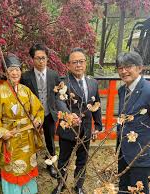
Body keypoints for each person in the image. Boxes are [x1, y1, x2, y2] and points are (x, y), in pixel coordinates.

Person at [0, 55, 44, 194]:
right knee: (12, 167)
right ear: (5, 72)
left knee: (28, 166)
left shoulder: (26, 90)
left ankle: (29, 191)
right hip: (10, 139)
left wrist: (37, 120)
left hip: (27, 138)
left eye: (17, 70)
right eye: (11, 70)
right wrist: (1, 132)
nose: (15, 73)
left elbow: (38, 109)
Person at [116, 51, 150, 194]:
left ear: (139, 68)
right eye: (120, 68)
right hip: (124, 150)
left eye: (128, 67)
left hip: (142, 152)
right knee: (123, 187)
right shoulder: (123, 90)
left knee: (139, 189)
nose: (124, 71)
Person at [52, 48, 102, 194]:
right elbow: (59, 102)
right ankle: (61, 183)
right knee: (64, 160)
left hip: (85, 129)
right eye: (75, 62)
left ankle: (78, 185)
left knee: (82, 159)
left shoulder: (93, 83)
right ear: (68, 65)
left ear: (85, 63)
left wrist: (98, 125)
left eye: (81, 61)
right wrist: (69, 115)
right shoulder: (63, 82)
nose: (78, 65)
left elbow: (96, 104)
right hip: (69, 128)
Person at [21, 43, 59, 178]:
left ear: (47, 58)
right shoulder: (25, 77)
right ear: (32, 59)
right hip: (32, 116)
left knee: (50, 140)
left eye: (43, 57)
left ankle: (51, 165)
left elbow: (57, 95)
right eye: (37, 58)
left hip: (49, 113)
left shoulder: (54, 75)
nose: (41, 61)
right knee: (31, 140)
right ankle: (31, 165)